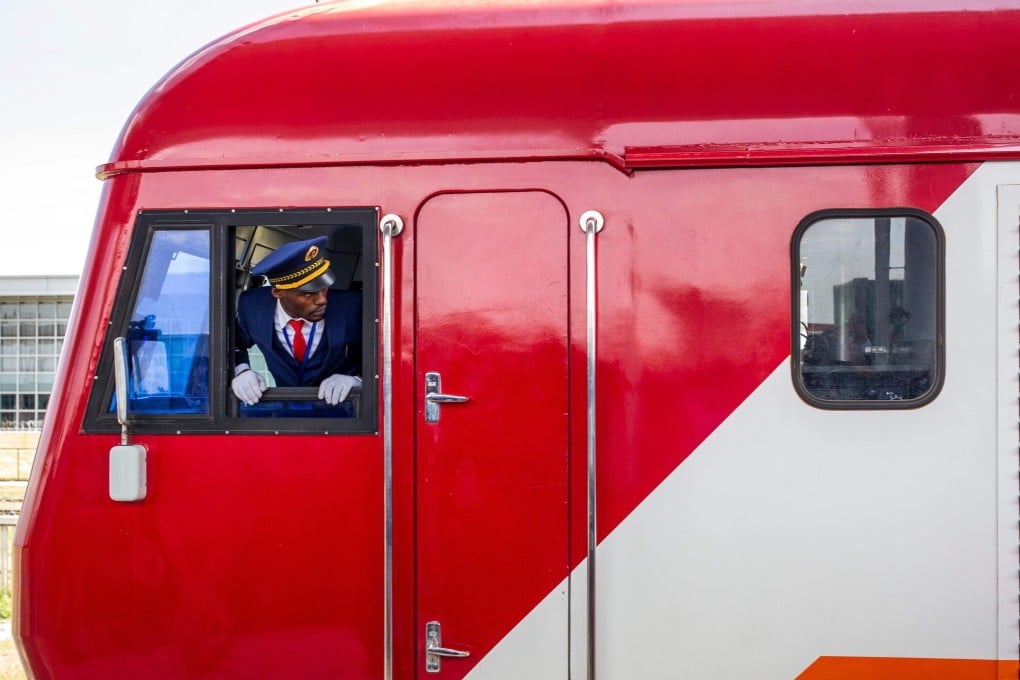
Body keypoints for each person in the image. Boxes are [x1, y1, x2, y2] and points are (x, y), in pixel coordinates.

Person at [232, 235, 362, 407]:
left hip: (348, 416)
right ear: (278, 293)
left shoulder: (354, 306)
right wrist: (241, 371)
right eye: (308, 294)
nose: (323, 300)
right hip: (287, 418)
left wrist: (357, 380)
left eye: (324, 288)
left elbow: (389, 357)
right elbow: (231, 344)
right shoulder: (252, 306)